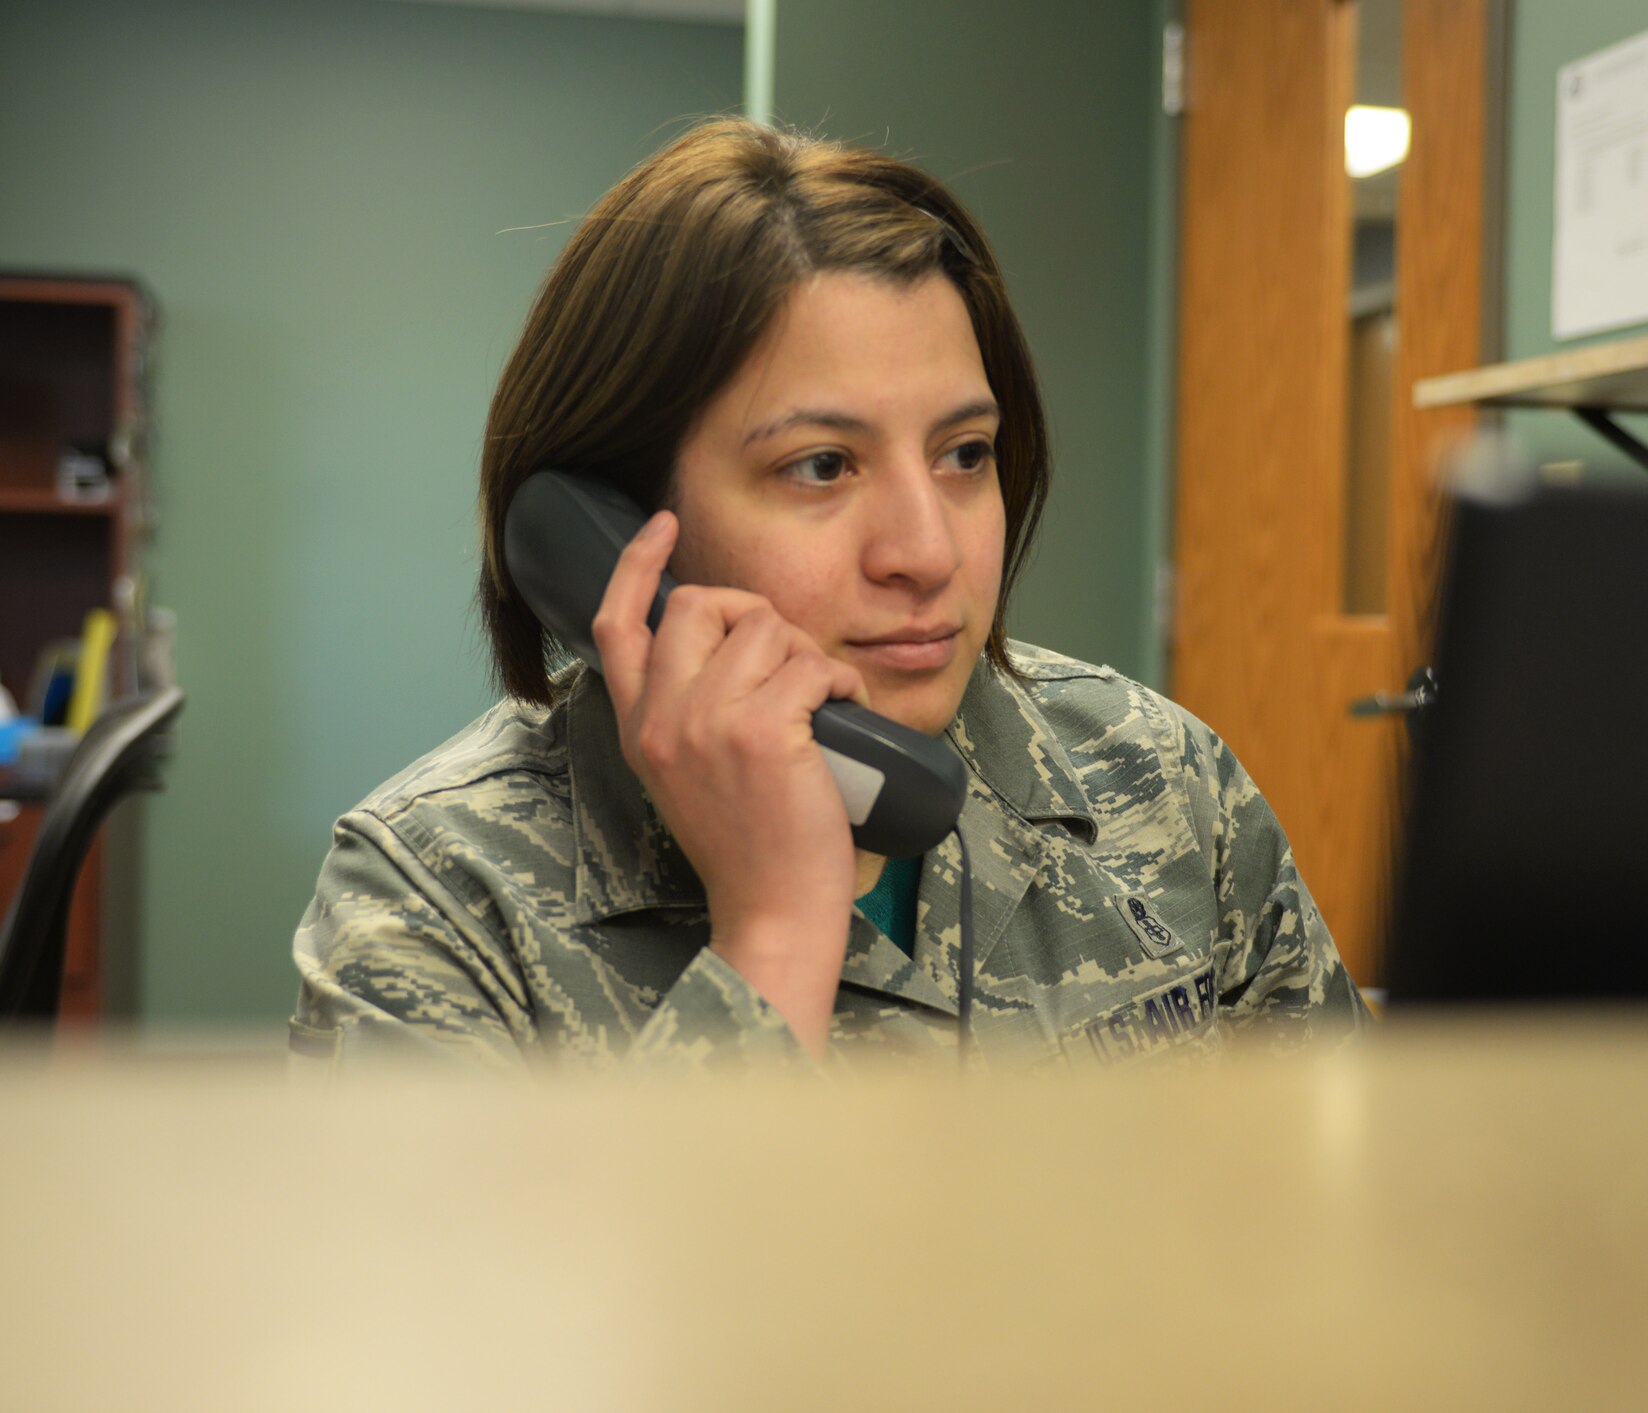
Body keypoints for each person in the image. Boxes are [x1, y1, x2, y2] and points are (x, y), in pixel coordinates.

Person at [290, 117, 1369, 1074]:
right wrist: (771, 941)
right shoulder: (436, 900)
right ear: (613, 531)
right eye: (820, 466)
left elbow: (1362, 1226)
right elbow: (493, 1309)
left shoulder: (1164, 781)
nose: (925, 551)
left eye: (964, 453)